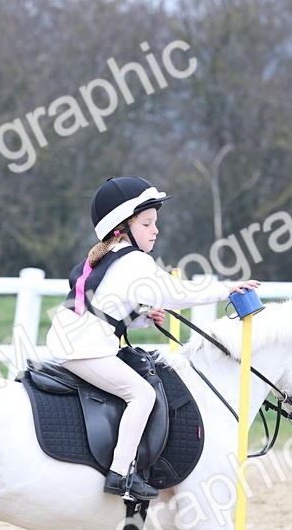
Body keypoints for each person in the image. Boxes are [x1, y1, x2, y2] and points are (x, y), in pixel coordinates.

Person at [45, 176, 261, 501]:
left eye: (154, 223)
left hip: (76, 343)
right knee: (141, 395)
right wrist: (226, 288)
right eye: (147, 223)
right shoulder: (134, 261)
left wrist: (142, 317)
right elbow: (177, 293)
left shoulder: (110, 256)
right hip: (84, 350)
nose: (155, 230)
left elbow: (106, 310)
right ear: (123, 228)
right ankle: (121, 473)